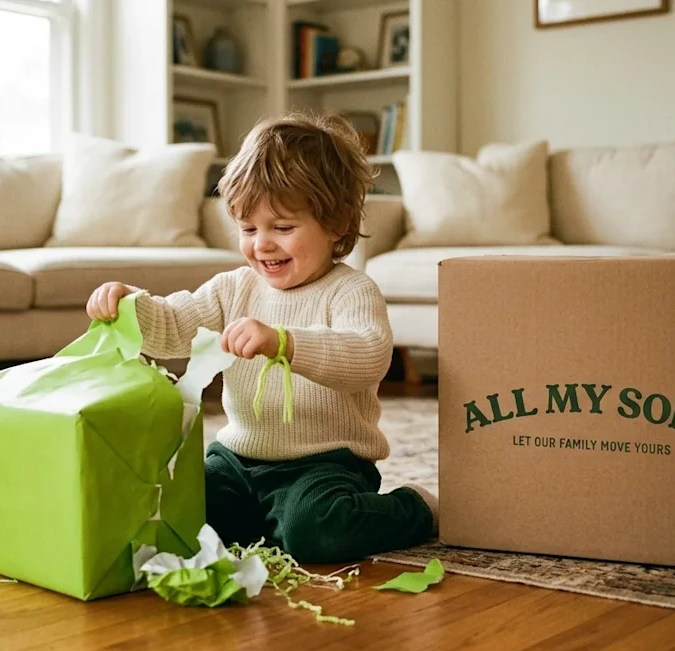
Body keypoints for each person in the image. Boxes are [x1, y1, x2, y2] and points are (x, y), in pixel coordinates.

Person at [85, 111, 436, 564]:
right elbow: (174, 326)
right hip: (237, 458)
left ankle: (416, 509)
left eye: (283, 228)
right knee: (175, 510)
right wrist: (131, 305)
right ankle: (266, 522)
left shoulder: (352, 290)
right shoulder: (234, 288)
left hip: (323, 464)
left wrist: (285, 343)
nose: (261, 244)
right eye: (248, 229)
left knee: (317, 531)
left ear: (338, 223)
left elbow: (367, 356)